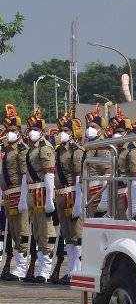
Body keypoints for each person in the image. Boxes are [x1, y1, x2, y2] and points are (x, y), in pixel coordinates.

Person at [24, 113, 57, 283]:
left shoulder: (45, 147)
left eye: (35, 129)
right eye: (30, 129)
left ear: (42, 131)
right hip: (32, 193)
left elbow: (49, 173)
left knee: (46, 230)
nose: (32, 132)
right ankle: (39, 268)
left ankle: (45, 269)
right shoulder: (32, 148)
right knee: (36, 231)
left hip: (42, 193)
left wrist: (49, 199)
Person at [52, 117, 84, 284]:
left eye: (65, 130)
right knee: (67, 235)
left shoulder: (76, 150)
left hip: (73, 193)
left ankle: (78, 270)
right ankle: (71, 269)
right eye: (61, 130)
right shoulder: (58, 150)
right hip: (61, 196)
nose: (62, 133)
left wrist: (79, 199)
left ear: (72, 133)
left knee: (77, 233)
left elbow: (79, 177)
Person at [0, 106, 29, 281]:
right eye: (7, 130)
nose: (9, 133)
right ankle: (17, 266)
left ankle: (22, 267)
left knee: (22, 230)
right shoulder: (8, 149)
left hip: (19, 192)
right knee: (14, 231)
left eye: (12, 130)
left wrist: (23, 198)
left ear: (19, 131)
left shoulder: (21, 149)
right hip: (9, 194)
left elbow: (25, 175)